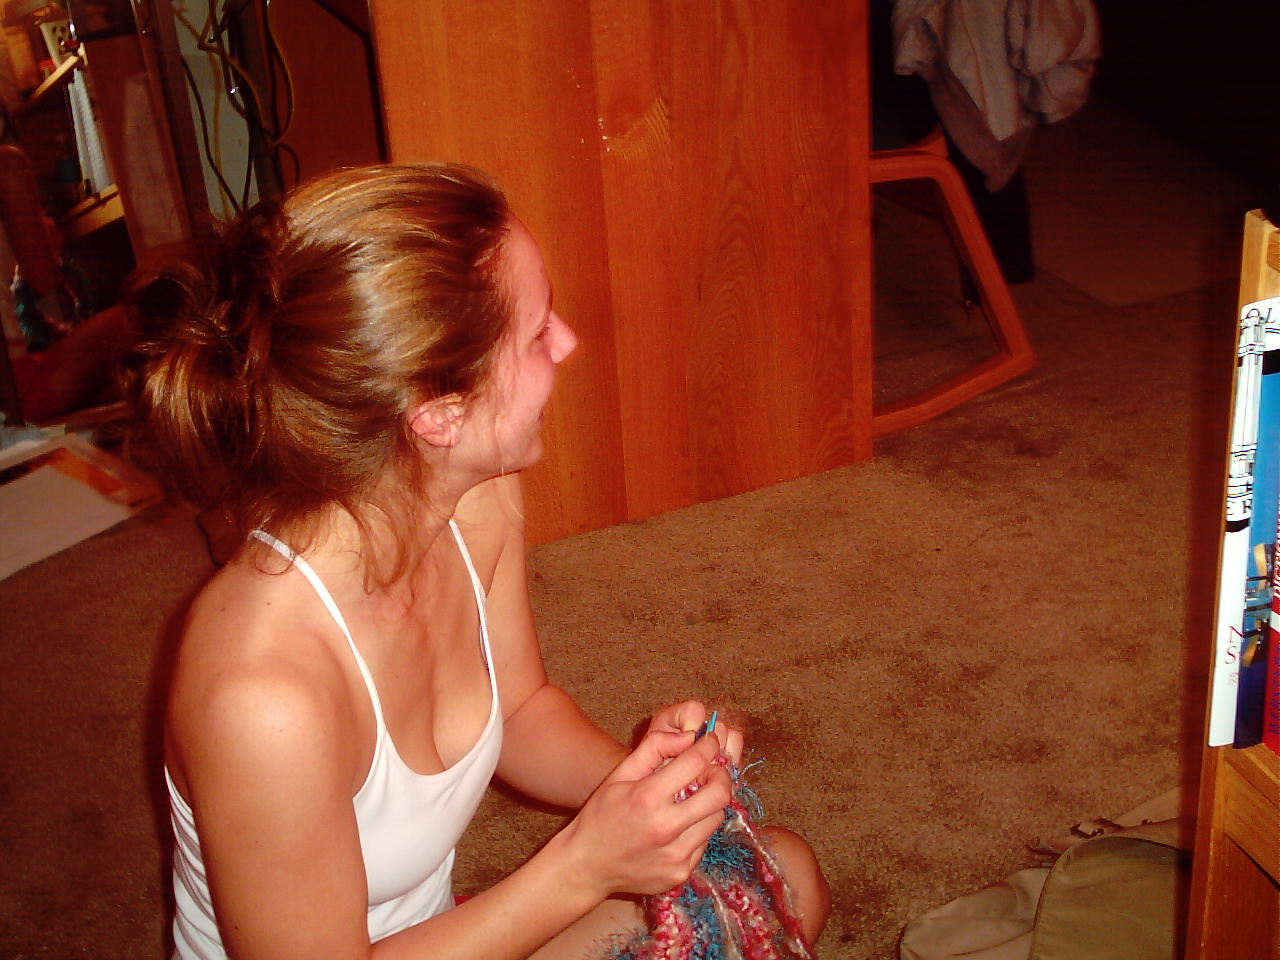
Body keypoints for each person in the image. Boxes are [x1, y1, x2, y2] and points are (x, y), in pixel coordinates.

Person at [125, 162, 830, 960]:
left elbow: (521, 708)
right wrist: (583, 864)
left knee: (786, 876)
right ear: (439, 415)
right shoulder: (262, 698)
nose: (568, 342)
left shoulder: (475, 497)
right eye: (537, 333)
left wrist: (648, 790)